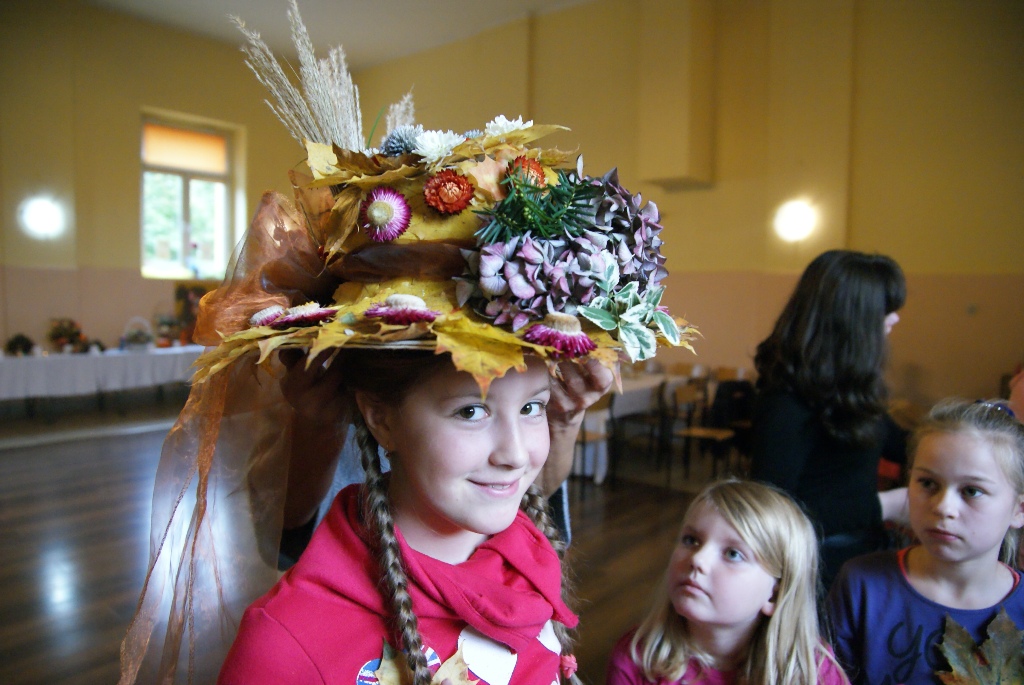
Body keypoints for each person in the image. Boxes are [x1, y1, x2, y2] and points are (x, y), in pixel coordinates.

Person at [116, 3, 697, 683]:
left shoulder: (529, 570)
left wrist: (555, 414)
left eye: (532, 405)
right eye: (471, 408)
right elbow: (287, 520)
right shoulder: (285, 648)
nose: (516, 451)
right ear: (380, 413)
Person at [827, 399, 1024, 685]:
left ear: (1019, 510)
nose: (944, 507)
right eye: (928, 483)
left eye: (972, 490)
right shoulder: (862, 584)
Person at [749, 249, 909, 590]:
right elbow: (772, 515)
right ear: (851, 319)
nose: (894, 319)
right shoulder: (786, 404)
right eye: (884, 308)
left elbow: (904, 445)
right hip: (815, 571)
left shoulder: (849, 389)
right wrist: (886, 505)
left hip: (856, 556)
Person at [606, 479, 849, 685]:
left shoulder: (813, 672)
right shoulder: (637, 659)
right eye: (691, 540)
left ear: (774, 595)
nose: (698, 559)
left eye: (733, 554)